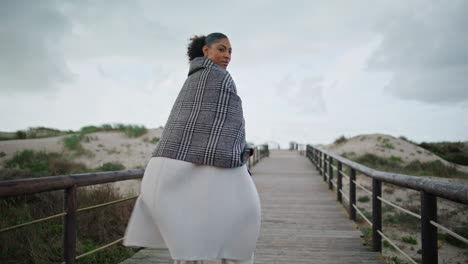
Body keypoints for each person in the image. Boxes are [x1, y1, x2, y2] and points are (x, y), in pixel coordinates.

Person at [123, 32, 262, 264]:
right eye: (221, 49)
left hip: (177, 160)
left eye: (229, 51)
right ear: (205, 51)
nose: (227, 56)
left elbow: (218, 121)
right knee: (244, 214)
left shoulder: (192, 79)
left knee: (192, 227)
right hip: (199, 161)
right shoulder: (218, 77)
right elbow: (228, 123)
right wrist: (240, 149)